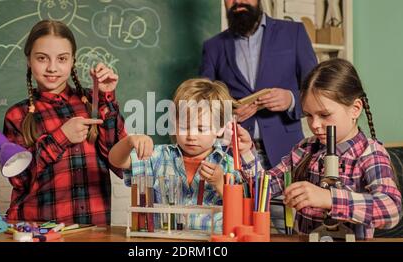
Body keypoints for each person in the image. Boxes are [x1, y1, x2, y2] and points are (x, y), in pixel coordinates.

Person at [238, 58, 402, 239]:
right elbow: (263, 190)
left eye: (324, 115)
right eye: (309, 115)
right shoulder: (305, 149)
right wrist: (246, 152)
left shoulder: (370, 154)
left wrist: (329, 198)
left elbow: (390, 209)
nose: (315, 125)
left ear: (355, 109)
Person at [3, 20, 126, 225]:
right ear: (29, 60)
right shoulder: (17, 115)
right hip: (38, 230)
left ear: (72, 61)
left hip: (93, 229)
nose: (52, 68)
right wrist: (61, 137)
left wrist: (106, 98)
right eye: (42, 58)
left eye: (62, 59)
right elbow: (20, 179)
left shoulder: (92, 102)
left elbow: (120, 162)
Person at [109, 78, 247, 231]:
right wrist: (129, 141)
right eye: (184, 127)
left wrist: (220, 183)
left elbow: (240, 210)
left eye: (201, 129)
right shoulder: (159, 156)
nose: (191, 136)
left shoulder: (228, 164)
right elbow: (116, 161)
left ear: (221, 128)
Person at [200, 0, 317, 169]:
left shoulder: (294, 32)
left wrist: (291, 99)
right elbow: (203, 101)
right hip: (235, 156)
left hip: (289, 154)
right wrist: (227, 113)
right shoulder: (213, 47)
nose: (238, 1)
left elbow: (317, 90)